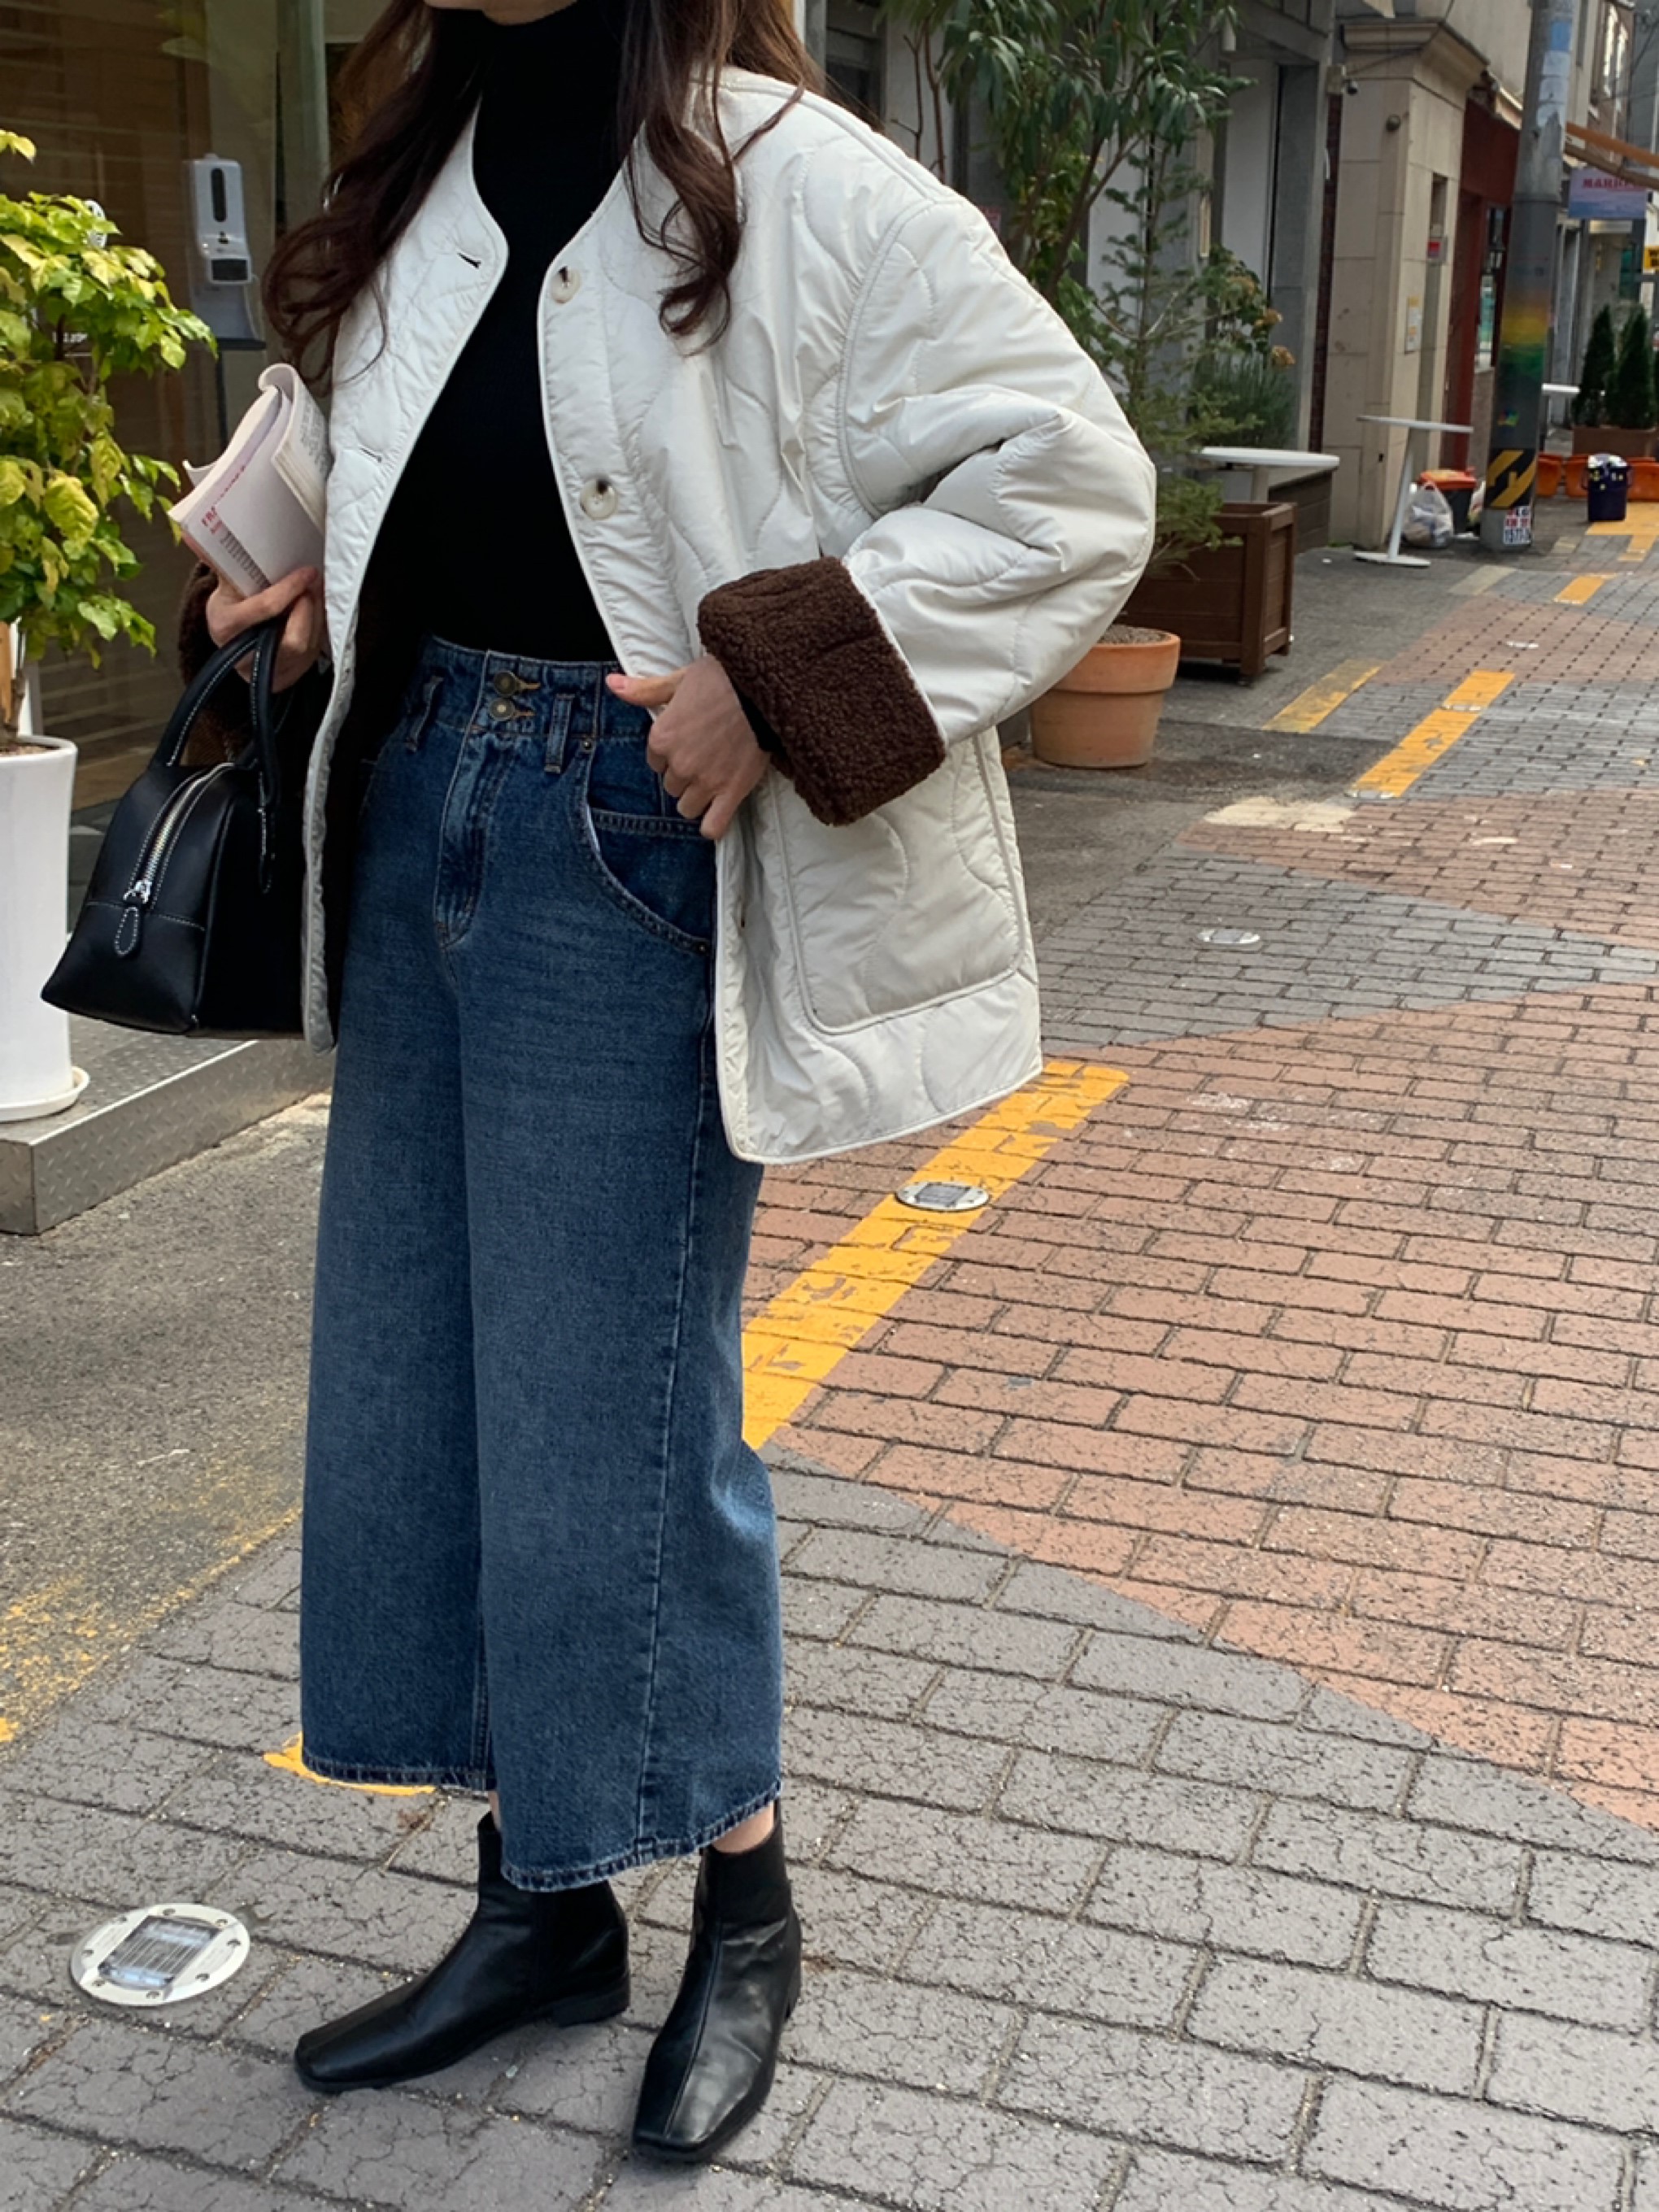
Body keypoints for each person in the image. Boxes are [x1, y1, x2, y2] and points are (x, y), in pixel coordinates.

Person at [185, 0, 1154, 2165]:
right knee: (436, 1388)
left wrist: (767, 675)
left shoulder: (799, 180)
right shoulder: (424, 167)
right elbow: (419, 454)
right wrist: (312, 579)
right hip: (418, 805)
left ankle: (744, 1906)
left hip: (625, 839)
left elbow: (1075, 486)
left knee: (617, 1413)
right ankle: (543, 1907)